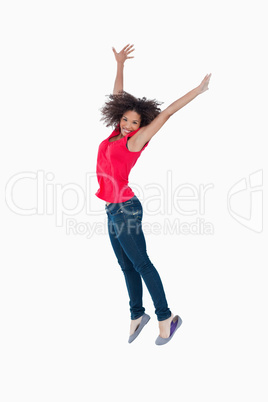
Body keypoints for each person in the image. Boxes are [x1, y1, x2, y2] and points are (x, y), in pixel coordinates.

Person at [95, 44, 211, 345]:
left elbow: (168, 113)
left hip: (125, 209)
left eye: (135, 122)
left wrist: (196, 92)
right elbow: (118, 97)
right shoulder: (113, 134)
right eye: (126, 119)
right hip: (112, 208)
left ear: (140, 125)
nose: (129, 124)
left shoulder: (135, 141)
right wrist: (120, 64)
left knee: (142, 263)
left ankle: (166, 317)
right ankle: (137, 314)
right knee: (125, 265)